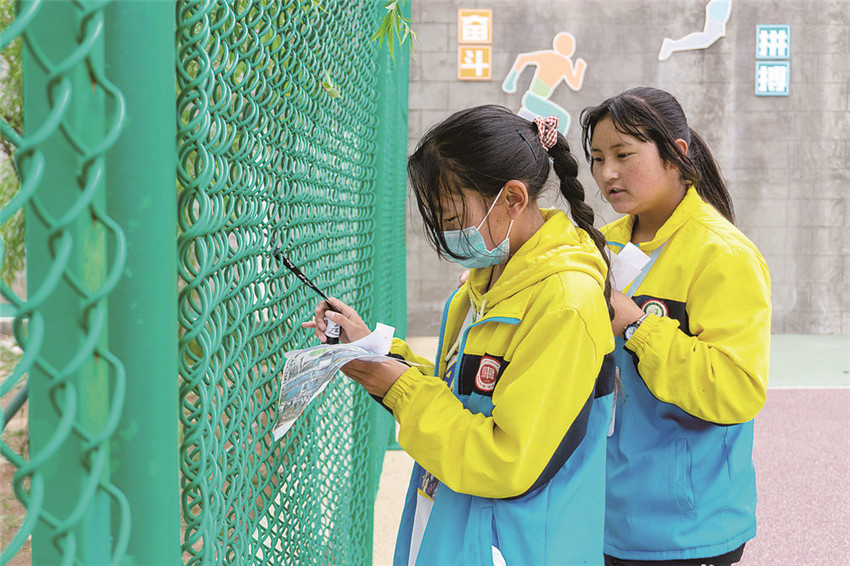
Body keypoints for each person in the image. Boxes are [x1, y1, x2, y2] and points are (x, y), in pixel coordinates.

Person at [304, 105, 616, 565]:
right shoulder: (484, 282)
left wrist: (397, 388)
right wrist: (378, 351)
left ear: (513, 198)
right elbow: (456, 395)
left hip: (516, 547)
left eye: (452, 217)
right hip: (456, 524)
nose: (447, 234)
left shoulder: (565, 303)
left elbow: (506, 460)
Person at [579, 87, 771, 566]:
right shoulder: (603, 245)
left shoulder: (723, 255)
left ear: (676, 154)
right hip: (606, 513)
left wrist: (637, 327)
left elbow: (735, 389)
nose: (607, 173)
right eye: (597, 159)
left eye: (623, 154)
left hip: (688, 526)